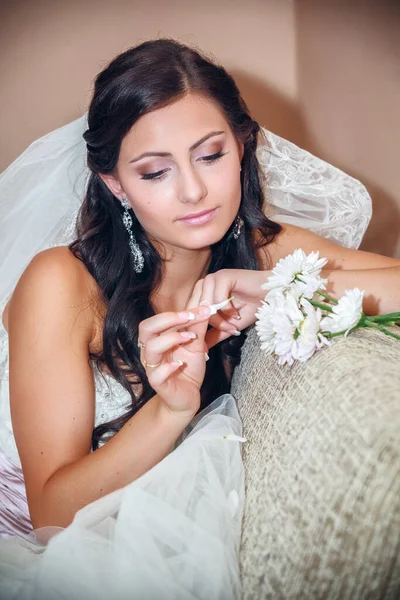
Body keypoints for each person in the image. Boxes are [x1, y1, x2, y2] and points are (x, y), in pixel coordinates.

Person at [0, 37, 399, 598]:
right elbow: (51, 516)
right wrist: (170, 410)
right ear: (116, 185)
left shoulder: (261, 249)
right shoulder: (62, 283)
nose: (193, 191)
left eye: (210, 155)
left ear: (241, 147)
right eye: (154, 173)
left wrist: (278, 285)